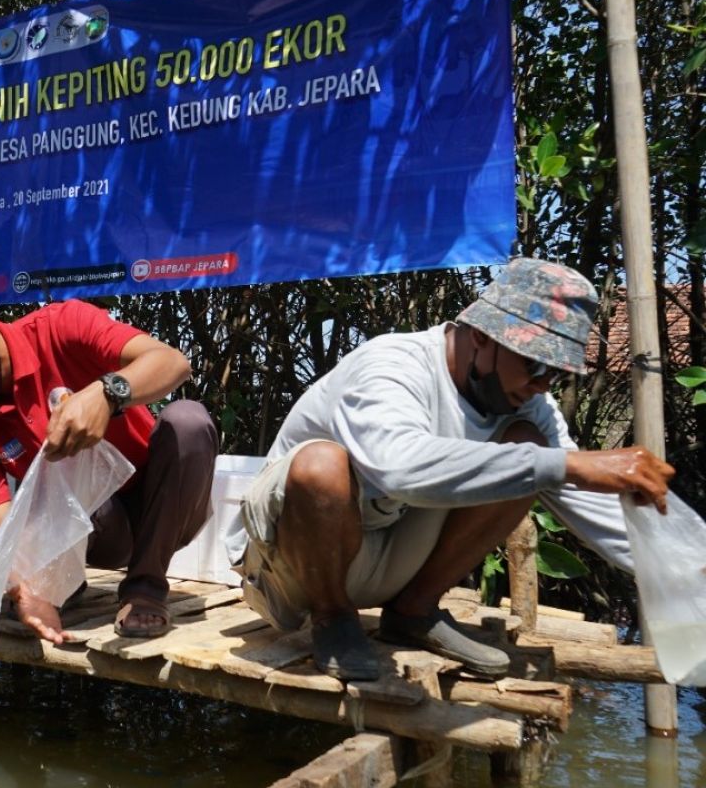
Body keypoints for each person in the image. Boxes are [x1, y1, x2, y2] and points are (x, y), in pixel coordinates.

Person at [224, 259, 675, 680]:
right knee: (320, 465)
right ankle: (333, 619)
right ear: (481, 335)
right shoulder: (393, 364)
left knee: (529, 453)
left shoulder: (530, 403)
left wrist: (686, 567)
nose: (540, 385)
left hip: (381, 551)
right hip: (289, 570)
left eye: (554, 375)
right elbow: (397, 468)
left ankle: (413, 613)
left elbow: (586, 499)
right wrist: (566, 464)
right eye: (534, 364)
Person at [0, 277, 219, 641]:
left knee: (187, 421)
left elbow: (172, 362)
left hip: (168, 508)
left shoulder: (62, 327)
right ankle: (63, 586)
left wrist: (106, 393)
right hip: (102, 530)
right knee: (58, 466)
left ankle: (146, 590)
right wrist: (24, 591)